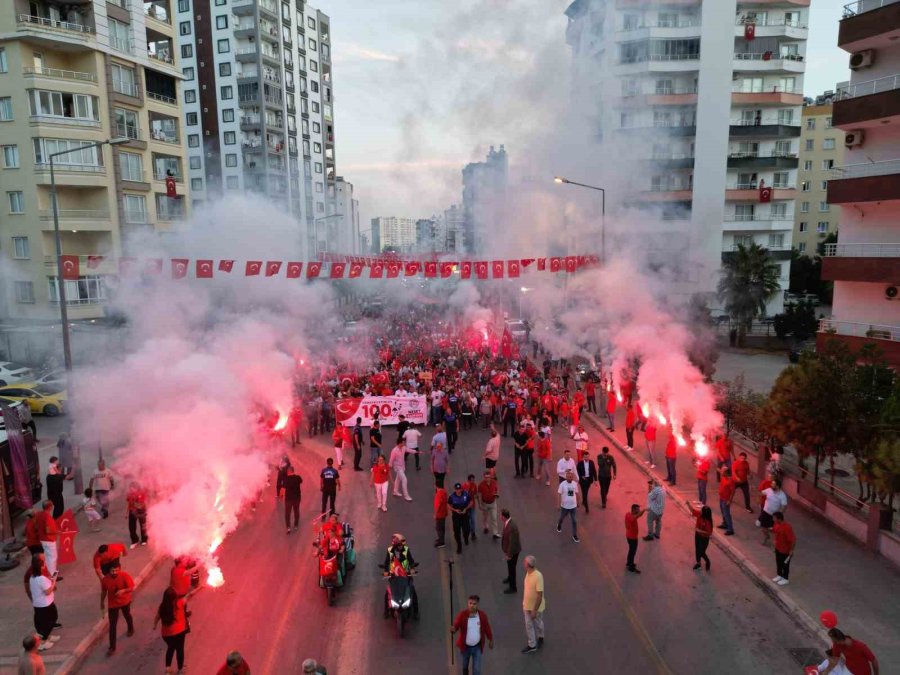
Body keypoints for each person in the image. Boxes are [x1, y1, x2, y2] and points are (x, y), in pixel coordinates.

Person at [451, 595, 494, 675]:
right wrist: (454, 628)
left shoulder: (482, 616)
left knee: (477, 670)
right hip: (465, 647)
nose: (472, 605)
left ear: (477, 605)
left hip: (477, 647)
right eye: (470, 603)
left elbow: (487, 628)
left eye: (474, 604)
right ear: (468, 603)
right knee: (465, 666)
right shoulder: (462, 615)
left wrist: (490, 639)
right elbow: (456, 624)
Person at [100, 561, 135, 655]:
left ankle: (131, 628)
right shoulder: (105, 580)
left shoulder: (125, 576)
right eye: (112, 571)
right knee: (112, 626)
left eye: (116, 570)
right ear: (109, 571)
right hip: (113, 604)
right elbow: (103, 592)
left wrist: (123, 591)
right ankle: (112, 647)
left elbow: (131, 588)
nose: (114, 572)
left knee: (127, 615)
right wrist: (101, 602)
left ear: (119, 569)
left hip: (125, 601)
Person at [153, 587, 190, 675]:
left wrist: (154, 625)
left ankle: (168, 670)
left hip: (166, 635)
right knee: (179, 649)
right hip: (179, 632)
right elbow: (190, 595)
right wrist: (200, 587)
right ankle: (180, 670)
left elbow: (157, 617)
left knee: (170, 648)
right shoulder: (179, 603)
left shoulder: (162, 606)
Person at [382, 533, 419, 619]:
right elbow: (386, 562)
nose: (401, 547)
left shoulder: (406, 550)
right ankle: (386, 612)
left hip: (406, 575)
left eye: (402, 545)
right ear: (395, 545)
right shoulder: (389, 550)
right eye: (399, 545)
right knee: (387, 593)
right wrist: (385, 571)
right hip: (394, 576)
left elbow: (411, 561)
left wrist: (412, 568)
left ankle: (416, 612)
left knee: (412, 591)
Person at [28, 556, 59, 649]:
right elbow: (48, 591)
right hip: (45, 604)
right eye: (43, 563)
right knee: (51, 619)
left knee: (41, 622)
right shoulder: (41, 579)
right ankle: (43, 641)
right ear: (41, 566)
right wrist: (53, 582)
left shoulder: (32, 577)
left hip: (38, 604)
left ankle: (46, 637)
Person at [521, 555, 545, 654]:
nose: (523, 563)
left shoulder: (538, 576)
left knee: (538, 622)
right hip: (527, 605)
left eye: (525, 562)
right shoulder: (528, 573)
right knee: (528, 625)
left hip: (535, 607)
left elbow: (539, 595)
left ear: (528, 565)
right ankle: (532, 644)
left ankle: (541, 636)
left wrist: (534, 610)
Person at [758, 477, 788, 546]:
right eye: (772, 484)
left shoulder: (782, 495)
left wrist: (779, 514)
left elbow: (784, 506)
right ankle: (766, 536)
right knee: (763, 527)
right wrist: (759, 501)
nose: (771, 485)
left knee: (775, 530)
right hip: (765, 512)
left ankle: (778, 542)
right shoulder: (769, 490)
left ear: (777, 486)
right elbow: (761, 493)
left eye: (773, 484)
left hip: (773, 515)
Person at [34, 501, 59, 577]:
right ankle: (53, 575)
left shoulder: (39, 514)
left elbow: (36, 525)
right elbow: (48, 531)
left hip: (43, 539)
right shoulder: (47, 516)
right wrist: (57, 532)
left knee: (48, 557)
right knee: (53, 557)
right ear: (50, 507)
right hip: (49, 540)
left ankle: (48, 572)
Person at [500, 507, 522, 593]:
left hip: (512, 551)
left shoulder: (512, 527)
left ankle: (513, 587)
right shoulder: (508, 523)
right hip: (509, 550)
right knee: (510, 566)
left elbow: (512, 542)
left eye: (501, 515)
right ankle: (509, 578)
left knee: (512, 567)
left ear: (504, 517)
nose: (500, 517)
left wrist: (509, 554)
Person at [771, 511, 796, 586]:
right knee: (778, 562)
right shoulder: (776, 524)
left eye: (774, 518)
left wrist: (791, 550)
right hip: (778, 548)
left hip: (785, 550)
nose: (773, 519)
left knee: (785, 565)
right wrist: (775, 542)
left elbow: (793, 540)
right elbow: (774, 532)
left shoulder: (787, 528)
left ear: (779, 519)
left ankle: (785, 578)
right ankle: (779, 575)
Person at [448, 482, 473, 554]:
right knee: (456, 532)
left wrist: (466, 508)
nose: (458, 490)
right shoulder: (452, 497)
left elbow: (471, 502)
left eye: (459, 489)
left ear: (461, 489)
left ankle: (466, 538)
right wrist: (455, 510)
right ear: (455, 489)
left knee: (467, 530)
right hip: (456, 516)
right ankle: (459, 546)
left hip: (464, 515)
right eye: (457, 489)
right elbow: (448, 505)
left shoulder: (466, 494)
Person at [557, 470, 580, 542]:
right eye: (568, 477)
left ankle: (574, 535)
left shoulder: (574, 484)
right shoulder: (562, 484)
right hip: (565, 506)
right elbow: (559, 494)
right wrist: (558, 504)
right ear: (566, 477)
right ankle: (559, 524)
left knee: (574, 521)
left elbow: (576, 493)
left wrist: (578, 502)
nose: (570, 478)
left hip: (573, 506)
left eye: (571, 477)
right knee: (562, 517)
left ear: (572, 477)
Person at [477, 471, 500, 539]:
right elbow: (480, 495)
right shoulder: (481, 485)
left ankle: (495, 533)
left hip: (493, 503)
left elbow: (497, 490)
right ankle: (486, 527)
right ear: (484, 477)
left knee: (494, 518)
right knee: (485, 517)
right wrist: (480, 504)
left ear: (490, 477)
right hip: (485, 503)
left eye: (488, 477)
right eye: (486, 477)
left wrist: (497, 494)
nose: (487, 479)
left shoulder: (494, 482)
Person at [126, 481, 148, 549]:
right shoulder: (129, 494)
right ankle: (134, 540)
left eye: (133, 487)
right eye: (130, 487)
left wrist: (135, 505)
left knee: (143, 526)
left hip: (141, 511)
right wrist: (127, 513)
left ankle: (144, 539)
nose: (131, 489)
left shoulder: (141, 493)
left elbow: (141, 505)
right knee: (131, 527)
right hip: (132, 511)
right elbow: (128, 503)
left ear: (137, 487)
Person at [625, 503, 646, 574]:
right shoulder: (632, 518)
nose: (639, 510)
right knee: (632, 552)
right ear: (634, 510)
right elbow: (638, 515)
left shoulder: (628, 514)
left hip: (628, 536)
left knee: (631, 550)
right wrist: (644, 510)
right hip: (632, 538)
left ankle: (628, 563)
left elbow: (638, 515)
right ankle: (631, 566)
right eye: (638, 509)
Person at [693, 505, 713, 572]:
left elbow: (709, 532)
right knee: (697, 550)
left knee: (701, 552)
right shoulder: (700, 515)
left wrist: (699, 530)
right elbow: (693, 511)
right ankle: (698, 563)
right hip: (698, 535)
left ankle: (708, 561)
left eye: (702, 510)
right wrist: (688, 504)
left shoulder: (708, 522)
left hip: (704, 538)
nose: (700, 511)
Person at [283, 465, 302, 533]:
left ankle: (288, 527)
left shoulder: (286, 479)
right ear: (293, 471)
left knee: (287, 513)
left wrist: (281, 496)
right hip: (297, 498)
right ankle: (296, 525)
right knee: (296, 511)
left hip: (288, 499)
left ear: (288, 471)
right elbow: (301, 481)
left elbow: (283, 488)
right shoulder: (298, 477)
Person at [718, 467, 736, 536]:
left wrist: (729, 501)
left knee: (727, 514)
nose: (721, 472)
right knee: (723, 512)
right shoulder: (723, 477)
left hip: (726, 500)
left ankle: (730, 529)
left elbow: (733, 491)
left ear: (726, 472)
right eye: (721, 471)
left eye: (723, 471)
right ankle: (725, 524)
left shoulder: (730, 480)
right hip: (721, 498)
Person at [464, 474, 479, 539]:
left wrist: (479, 503)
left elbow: (476, 494)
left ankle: (473, 533)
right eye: (472, 480)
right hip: (466, 506)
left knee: (473, 519)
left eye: (473, 480)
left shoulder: (474, 485)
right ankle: (468, 531)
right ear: (469, 480)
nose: (473, 481)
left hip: (472, 505)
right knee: (468, 520)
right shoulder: (464, 486)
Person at [434, 484, 449, 548]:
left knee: (439, 528)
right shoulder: (444, 492)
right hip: (444, 513)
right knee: (442, 527)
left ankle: (441, 542)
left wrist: (435, 514)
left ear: (436, 486)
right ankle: (441, 539)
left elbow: (438, 505)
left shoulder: (439, 494)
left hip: (439, 514)